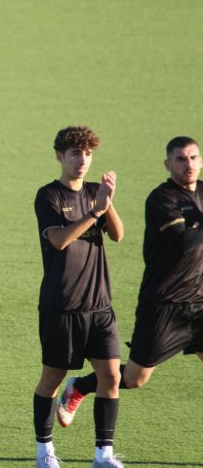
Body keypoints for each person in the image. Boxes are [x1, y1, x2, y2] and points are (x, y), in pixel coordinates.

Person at [57, 135, 203, 431]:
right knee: (136, 378)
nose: (188, 164)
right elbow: (182, 241)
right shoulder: (162, 199)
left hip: (199, 301)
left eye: (193, 158)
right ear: (168, 164)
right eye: (180, 159)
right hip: (164, 303)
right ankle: (81, 386)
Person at [32, 126, 138, 468]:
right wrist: (94, 213)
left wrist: (108, 203)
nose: (82, 161)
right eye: (75, 154)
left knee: (111, 376)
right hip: (62, 305)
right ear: (59, 156)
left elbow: (118, 235)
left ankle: (103, 457)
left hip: (100, 305)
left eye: (88, 154)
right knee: (52, 378)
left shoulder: (95, 192)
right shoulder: (48, 195)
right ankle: (45, 454)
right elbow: (60, 240)